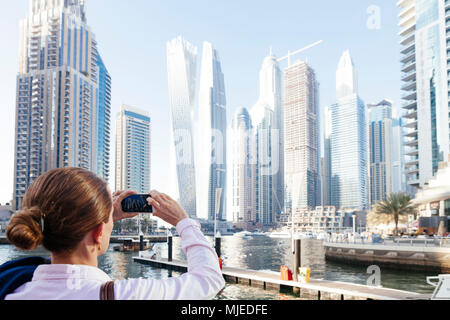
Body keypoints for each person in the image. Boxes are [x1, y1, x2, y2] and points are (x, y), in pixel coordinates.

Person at [3, 167, 225, 300]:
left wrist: (106, 218)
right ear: (100, 231)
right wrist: (182, 221)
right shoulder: (127, 295)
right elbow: (209, 279)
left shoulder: (12, 287)